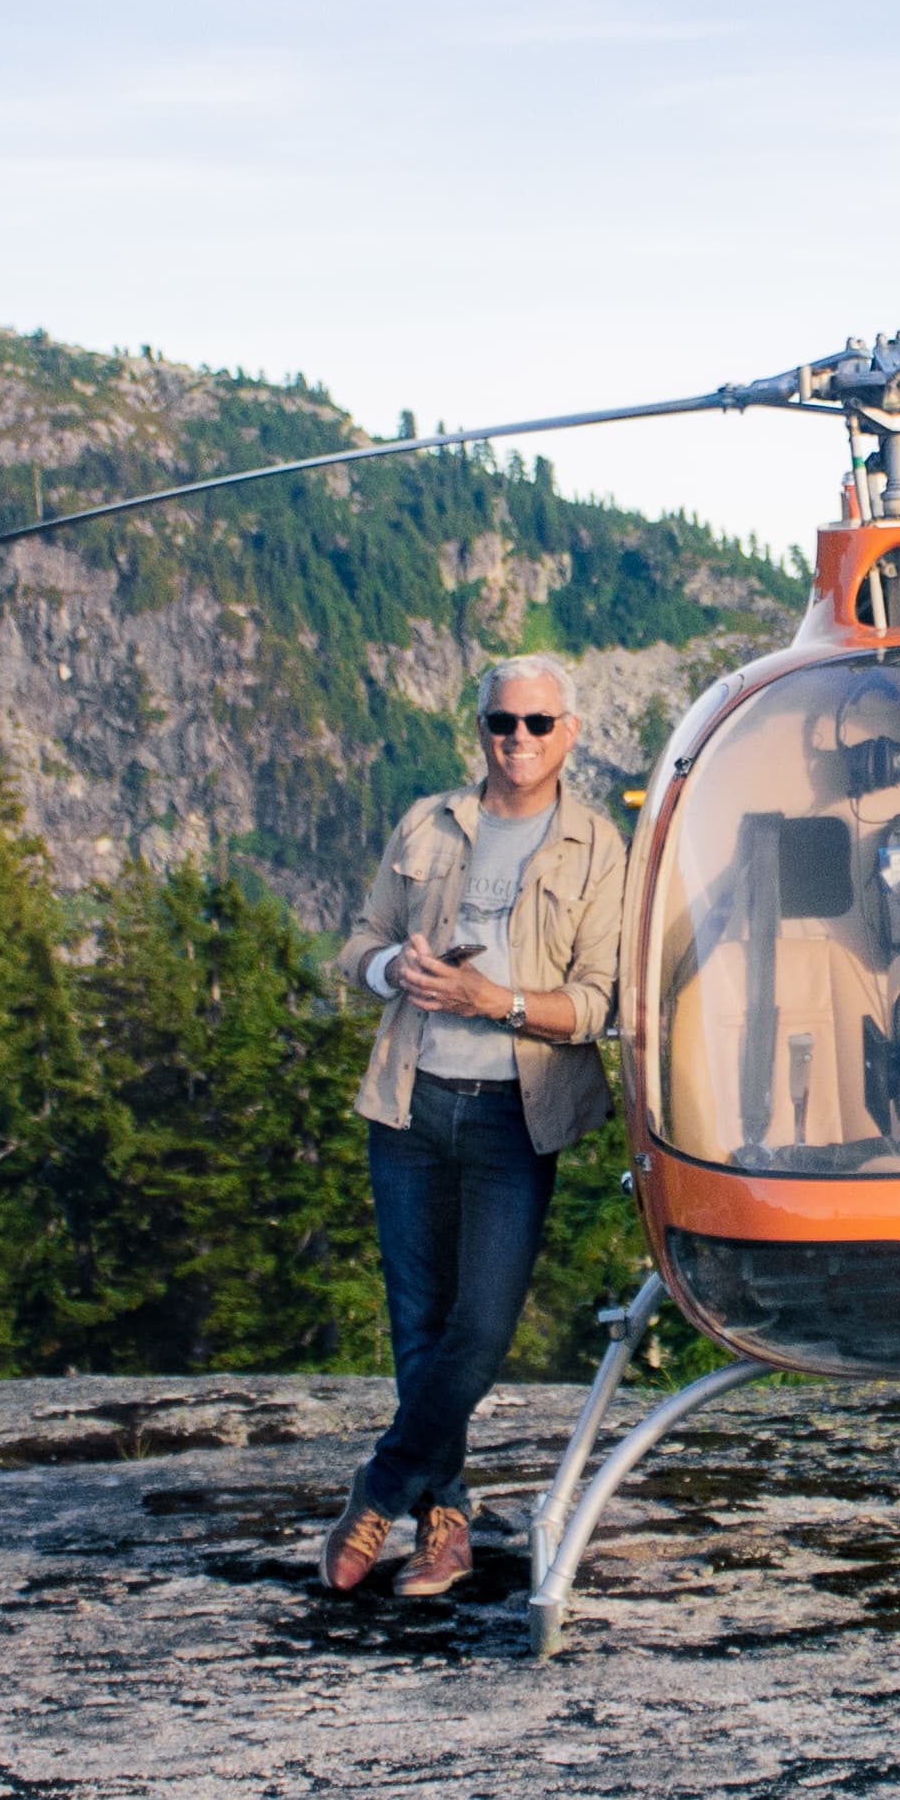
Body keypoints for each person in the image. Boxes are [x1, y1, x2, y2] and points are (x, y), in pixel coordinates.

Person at [322, 655, 629, 1598]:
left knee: (481, 1326)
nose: (519, 740)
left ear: (568, 731)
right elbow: (357, 941)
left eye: (538, 723)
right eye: (503, 722)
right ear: (482, 729)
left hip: (511, 1114)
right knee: (418, 1322)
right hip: (409, 1101)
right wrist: (395, 975)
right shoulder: (428, 820)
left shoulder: (596, 845)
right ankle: (443, 1522)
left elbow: (598, 1005)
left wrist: (491, 999)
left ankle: (380, 1485)